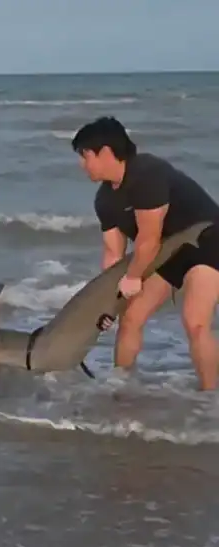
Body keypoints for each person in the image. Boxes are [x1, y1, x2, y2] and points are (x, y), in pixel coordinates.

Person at [71, 116, 219, 390]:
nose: (82, 164)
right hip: (165, 255)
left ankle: (211, 401)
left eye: (85, 156)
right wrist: (109, 304)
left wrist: (134, 277)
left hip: (207, 244)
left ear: (105, 152)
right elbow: (113, 255)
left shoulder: (147, 174)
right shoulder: (104, 199)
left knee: (195, 322)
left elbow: (148, 240)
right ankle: (121, 388)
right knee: (130, 319)